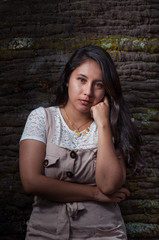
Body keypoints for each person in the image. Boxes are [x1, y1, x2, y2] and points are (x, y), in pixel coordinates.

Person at [19, 45, 143, 240]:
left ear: (106, 91)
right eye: (82, 80)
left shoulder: (111, 125)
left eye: (98, 85)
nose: (88, 92)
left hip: (104, 233)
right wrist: (94, 194)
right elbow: (31, 182)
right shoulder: (41, 118)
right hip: (45, 232)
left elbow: (109, 185)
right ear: (68, 79)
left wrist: (102, 124)